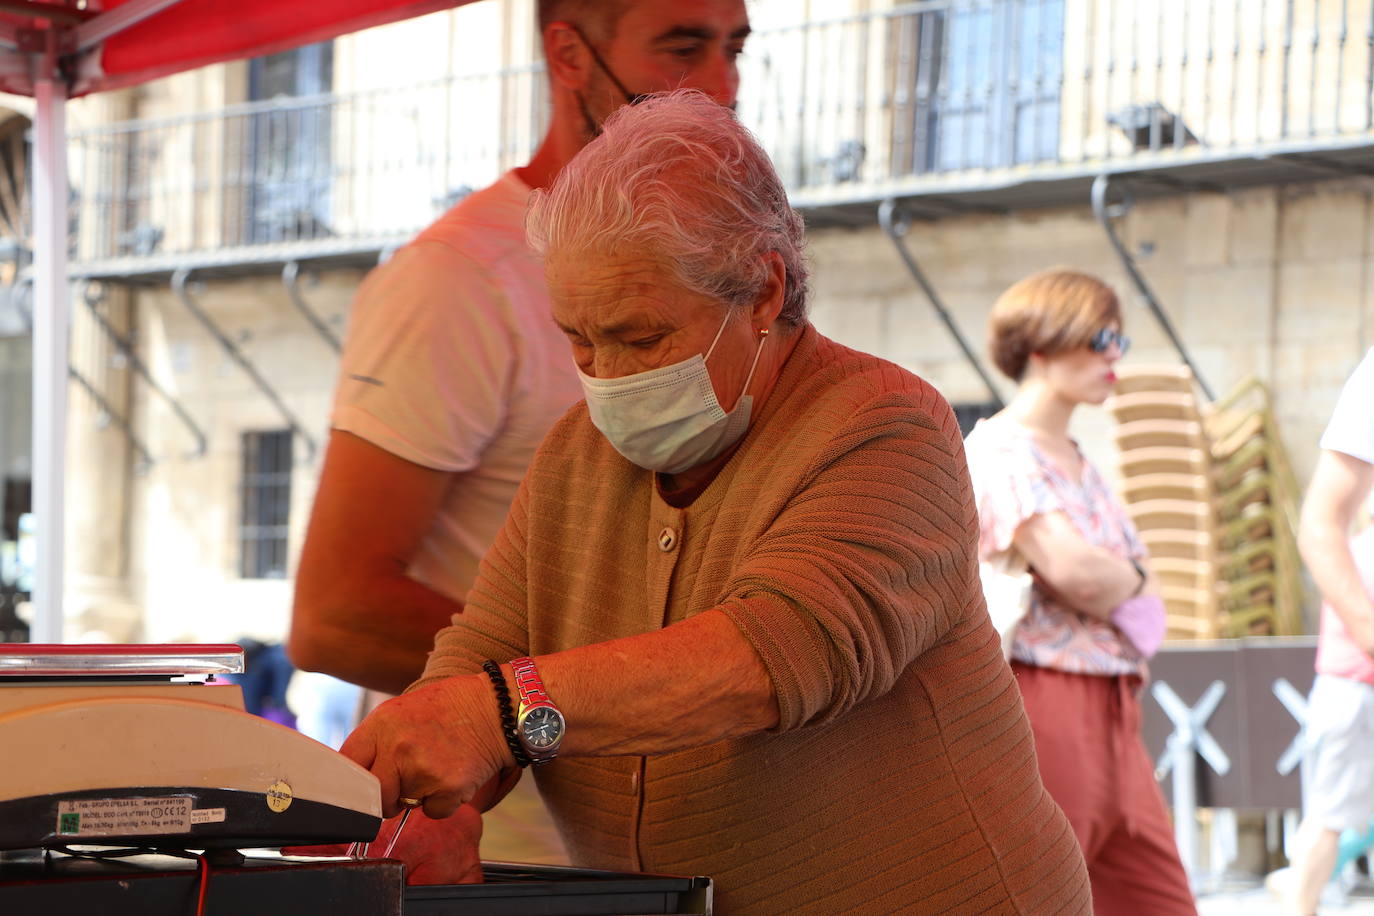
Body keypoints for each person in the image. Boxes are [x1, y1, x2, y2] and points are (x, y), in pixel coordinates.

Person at [339, 89, 1091, 913]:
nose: (608, 376)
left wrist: (503, 717)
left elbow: (773, 660)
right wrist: (437, 799)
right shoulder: (572, 456)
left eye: (642, 337)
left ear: (763, 292)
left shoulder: (888, 425)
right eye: (579, 340)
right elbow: (484, 648)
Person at [288, 0, 750, 863]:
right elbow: (335, 616)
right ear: (569, 54)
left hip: (689, 852)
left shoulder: (729, 271)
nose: (721, 87)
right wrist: (614, 692)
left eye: (736, 49)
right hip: (515, 858)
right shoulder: (458, 279)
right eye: (683, 47)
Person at [962, 269, 1195, 915]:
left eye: (1118, 339)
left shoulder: (1075, 458)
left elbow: (1113, 580)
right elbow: (1084, 576)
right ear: (1042, 344)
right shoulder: (1000, 452)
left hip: (1118, 704)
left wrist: (1124, 577)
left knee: (1160, 899)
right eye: (1099, 339)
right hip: (1046, 698)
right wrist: (1135, 575)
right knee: (1043, 897)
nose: (1114, 356)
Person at [1275, 349, 1374, 916]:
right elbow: (1318, 525)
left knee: (1334, 819)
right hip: (1356, 687)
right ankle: (1298, 903)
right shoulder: (1353, 549)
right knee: (1331, 818)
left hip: (1351, 687)